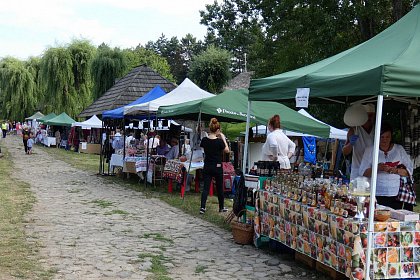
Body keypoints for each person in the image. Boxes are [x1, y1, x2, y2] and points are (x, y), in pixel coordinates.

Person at [359, 122, 413, 210]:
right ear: (377, 137)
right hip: (376, 194)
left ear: (391, 137)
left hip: (395, 194)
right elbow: (362, 172)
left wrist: (394, 170)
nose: (384, 140)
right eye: (382, 137)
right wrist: (378, 168)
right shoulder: (370, 150)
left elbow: (409, 172)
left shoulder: (399, 149)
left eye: (387, 137)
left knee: (393, 220)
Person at [199, 118, 230, 214]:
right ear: (217, 130)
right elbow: (227, 150)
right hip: (217, 166)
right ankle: (221, 207)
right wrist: (223, 138)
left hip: (207, 165)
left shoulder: (204, 140)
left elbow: (203, 148)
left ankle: (202, 207)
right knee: (220, 188)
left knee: (205, 188)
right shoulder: (219, 141)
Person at [342, 104, 375, 180]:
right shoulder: (354, 130)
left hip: (371, 171)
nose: (370, 118)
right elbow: (345, 152)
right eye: (368, 115)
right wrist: (350, 143)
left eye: (371, 115)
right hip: (357, 171)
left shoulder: (377, 130)